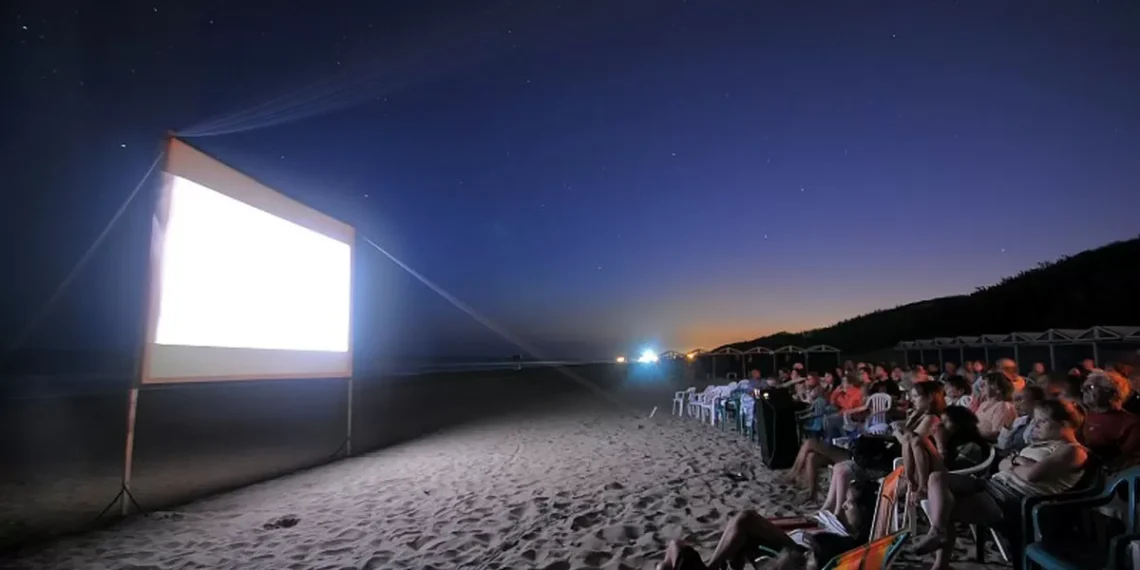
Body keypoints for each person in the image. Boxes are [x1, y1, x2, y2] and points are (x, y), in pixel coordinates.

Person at [914, 399, 1088, 569]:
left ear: (1064, 424)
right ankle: (938, 533)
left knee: (943, 508)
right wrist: (1019, 462)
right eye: (1035, 420)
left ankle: (940, 558)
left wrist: (1017, 460)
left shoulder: (1073, 451)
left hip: (1012, 499)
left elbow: (1032, 476)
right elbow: (1002, 464)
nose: (1036, 425)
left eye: (1042, 421)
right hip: (993, 485)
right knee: (937, 478)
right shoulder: (1038, 446)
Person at [1081, 369, 1140, 471]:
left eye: (1092, 387)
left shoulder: (1131, 423)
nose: (1086, 391)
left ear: (1113, 393)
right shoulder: (1085, 415)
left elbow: (1128, 459)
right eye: (1086, 387)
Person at [936, 405, 991, 471]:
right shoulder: (950, 442)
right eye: (941, 420)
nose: (941, 425)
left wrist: (940, 444)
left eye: (946, 421)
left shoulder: (971, 447)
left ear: (959, 423)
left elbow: (948, 469)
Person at [996, 385, 1045, 457]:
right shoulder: (1019, 420)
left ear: (1036, 402)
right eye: (1014, 401)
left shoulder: (1041, 425)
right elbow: (1002, 445)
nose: (1015, 404)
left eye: (1019, 400)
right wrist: (1007, 429)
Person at [973, 373, 1017, 441]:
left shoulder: (1002, 407)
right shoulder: (984, 404)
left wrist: (972, 434)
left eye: (985, 384)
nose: (981, 386)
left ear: (998, 390)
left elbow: (997, 435)